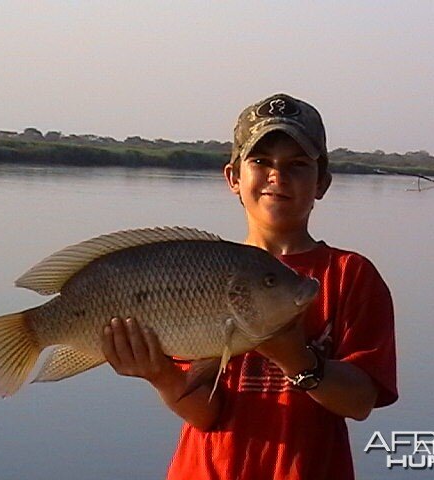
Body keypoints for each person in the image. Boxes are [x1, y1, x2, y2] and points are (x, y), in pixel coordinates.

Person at [100, 93, 398, 479]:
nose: (278, 175)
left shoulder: (350, 275)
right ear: (234, 178)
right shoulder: (199, 271)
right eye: (261, 161)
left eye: (297, 164)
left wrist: (296, 358)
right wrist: (159, 374)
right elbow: (205, 413)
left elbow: (360, 401)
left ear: (322, 182)